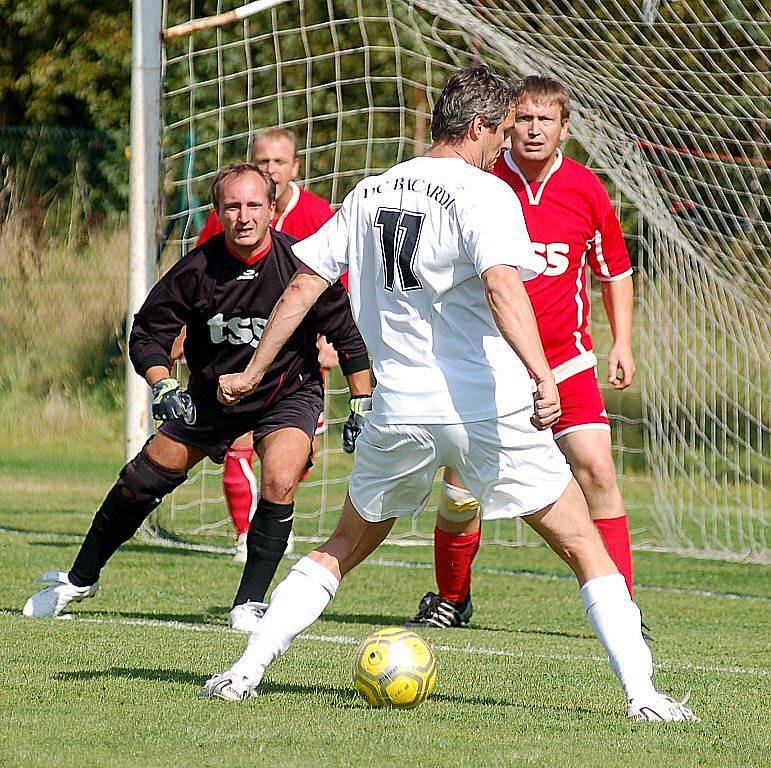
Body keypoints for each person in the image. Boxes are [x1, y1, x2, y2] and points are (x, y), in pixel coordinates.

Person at [201, 66, 697, 722]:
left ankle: (243, 671)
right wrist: (542, 376)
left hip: (396, 408)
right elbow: (500, 287)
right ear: (477, 127)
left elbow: (300, 286)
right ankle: (642, 696)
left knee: (341, 545)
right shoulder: (483, 193)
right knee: (583, 545)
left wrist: (253, 370)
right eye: (499, 132)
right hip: (480, 408)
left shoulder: (372, 190)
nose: (503, 147)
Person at [22, 164, 372, 634]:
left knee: (281, 479)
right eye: (232, 206)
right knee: (140, 481)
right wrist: (163, 384)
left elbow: (348, 337)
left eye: (253, 205)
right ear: (218, 212)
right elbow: (147, 333)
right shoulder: (196, 270)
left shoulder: (303, 267)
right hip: (212, 397)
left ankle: (248, 603)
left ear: (272, 209)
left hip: (287, 392)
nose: (243, 217)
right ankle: (79, 579)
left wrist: (361, 402)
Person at [406, 75, 639, 630]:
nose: (533, 130)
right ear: (506, 125)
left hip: (567, 360)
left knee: (598, 470)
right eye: (524, 119)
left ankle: (623, 606)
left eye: (545, 120)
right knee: (461, 487)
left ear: (564, 128)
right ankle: (452, 599)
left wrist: (623, 341)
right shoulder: (477, 181)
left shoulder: (586, 189)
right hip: (487, 361)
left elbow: (615, 270)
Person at [194, 128, 337, 564]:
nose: (270, 169)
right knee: (238, 441)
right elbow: (201, 276)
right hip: (238, 349)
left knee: (289, 456)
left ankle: (276, 517)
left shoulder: (316, 213)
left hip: (299, 357)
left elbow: (340, 281)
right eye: (262, 161)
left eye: (279, 162)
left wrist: (334, 339)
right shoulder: (228, 215)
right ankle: (245, 534)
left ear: (295, 168)